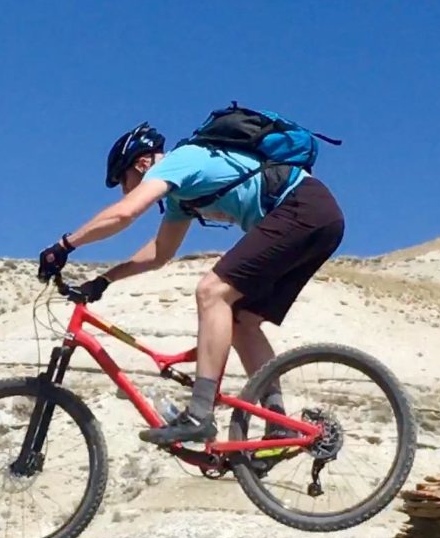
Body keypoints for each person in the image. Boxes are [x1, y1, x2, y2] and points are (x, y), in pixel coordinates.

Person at [36, 120, 346, 444]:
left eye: (124, 180)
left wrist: (64, 245)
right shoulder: (180, 198)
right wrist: (104, 279)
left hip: (303, 208)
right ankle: (279, 421)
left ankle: (199, 413)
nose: (126, 190)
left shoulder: (179, 162)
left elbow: (125, 213)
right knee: (242, 321)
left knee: (211, 292)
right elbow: (160, 252)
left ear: (142, 163)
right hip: (319, 218)